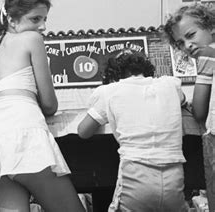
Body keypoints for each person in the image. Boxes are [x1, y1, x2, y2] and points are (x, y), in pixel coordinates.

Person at [0, 0, 84, 212]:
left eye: (44, 19)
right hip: (24, 137)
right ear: (11, 19)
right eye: (35, 19)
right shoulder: (32, 39)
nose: (42, 26)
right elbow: (50, 104)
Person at [77, 50, 188, 212]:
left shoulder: (110, 91)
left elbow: (83, 131)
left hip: (135, 175)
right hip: (174, 175)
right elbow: (183, 101)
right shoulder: (170, 84)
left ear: (113, 75)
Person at [163, 3, 215, 212]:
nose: (188, 45)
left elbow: (199, 112)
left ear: (210, 26)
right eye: (181, 43)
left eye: (191, 35)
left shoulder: (208, 57)